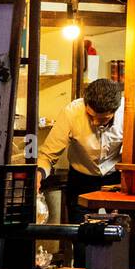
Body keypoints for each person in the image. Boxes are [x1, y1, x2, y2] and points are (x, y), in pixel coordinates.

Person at [37, 78, 124, 226]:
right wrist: (38, 174)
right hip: (81, 179)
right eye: (90, 116)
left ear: (115, 111)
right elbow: (48, 155)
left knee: (118, 232)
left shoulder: (126, 113)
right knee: (79, 234)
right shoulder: (71, 112)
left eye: (103, 119)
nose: (95, 123)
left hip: (114, 179)